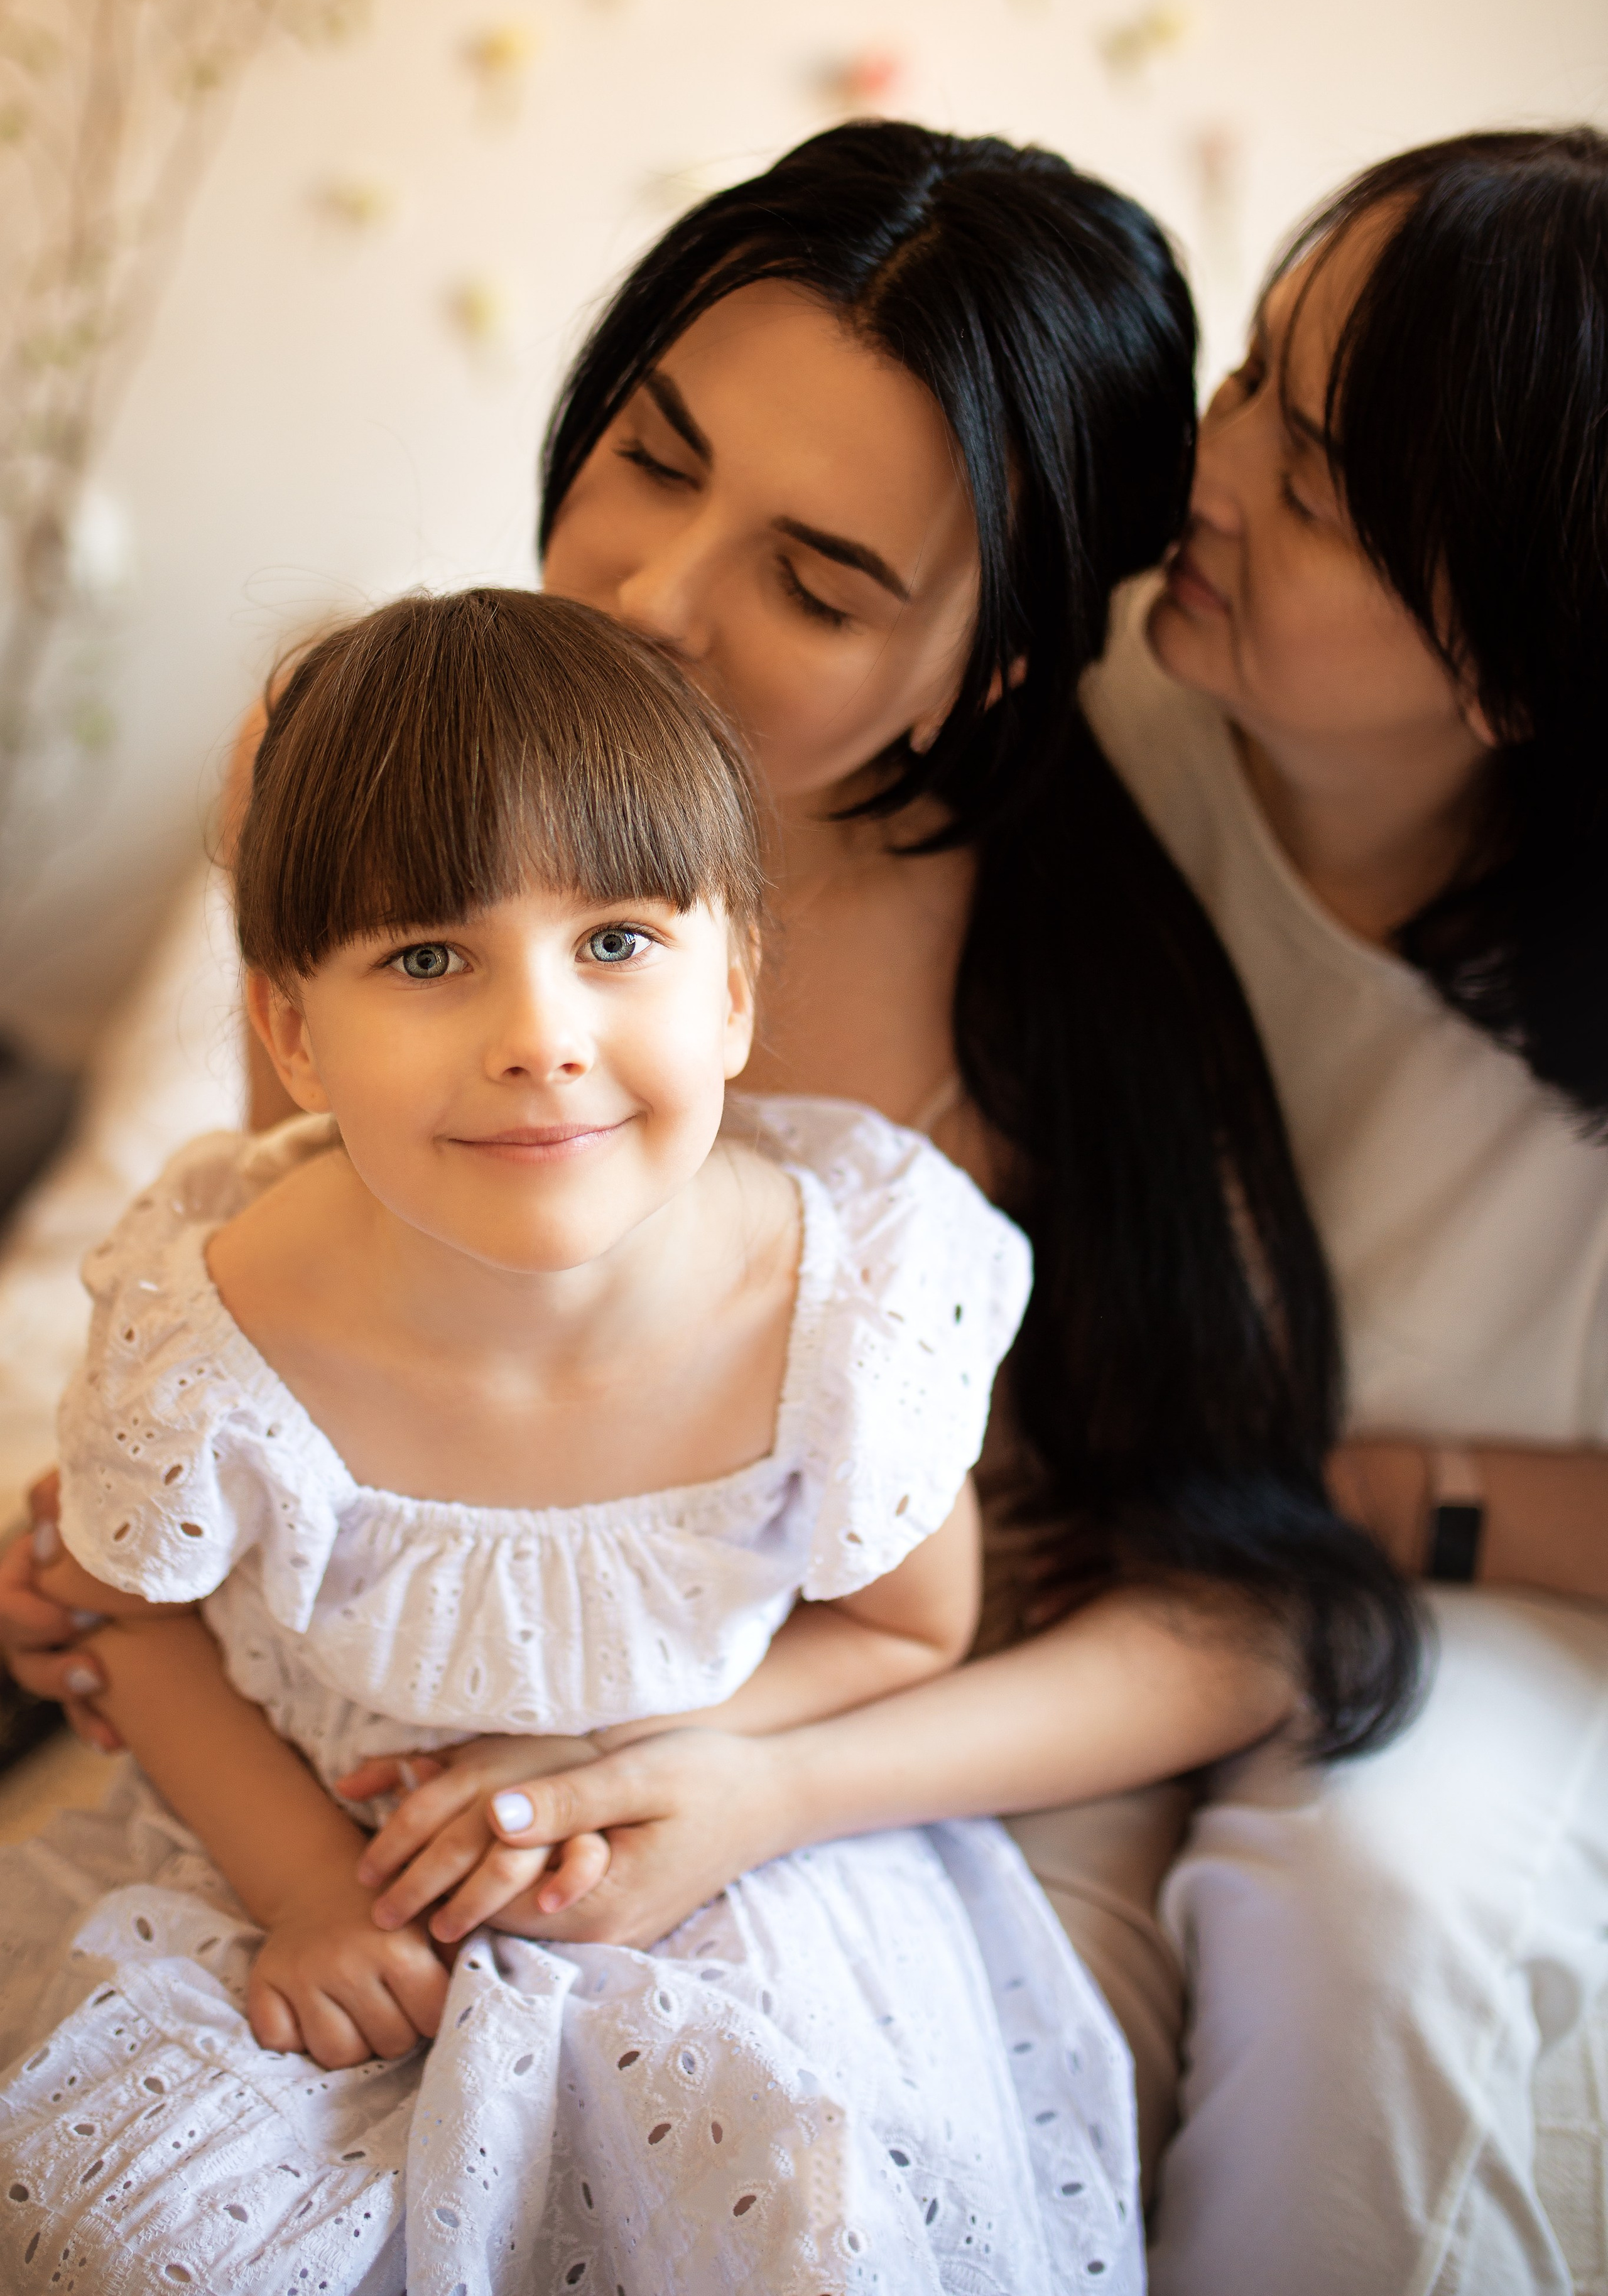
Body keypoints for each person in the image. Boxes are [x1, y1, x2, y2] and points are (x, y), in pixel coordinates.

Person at [0, 123, 1428, 2262]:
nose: (652, 597)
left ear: (996, 659)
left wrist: (762, 1784)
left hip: (869, 1797)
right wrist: (126, 1553)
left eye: (821, 576)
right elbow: (294, 1228)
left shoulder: (1054, 1015)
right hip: (349, 1797)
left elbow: (1256, 1606)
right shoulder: (349, 746)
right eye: (653, 458)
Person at [378, 127, 1608, 2293]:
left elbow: (1225, 1586)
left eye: (1313, 488)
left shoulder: (1060, 971)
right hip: (522, 1742)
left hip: (1229, 1601)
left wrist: (756, 1766)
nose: (1207, 492)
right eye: (1256, 392)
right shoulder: (1097, 701)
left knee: (1373, 1930)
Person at [0, 583, 1151, 2295]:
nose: (539, 1035)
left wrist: (639, 1756)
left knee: (811, 2209)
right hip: (301, 1870)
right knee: (149, 2232)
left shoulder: (845, 1298)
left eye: (616, 940)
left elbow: (912, 1622)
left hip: (716, 1867)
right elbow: (125, 1613)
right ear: (292, 1028)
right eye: (429, 956)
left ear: (739, 989)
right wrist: (313, 1887)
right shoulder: (220, 1313)